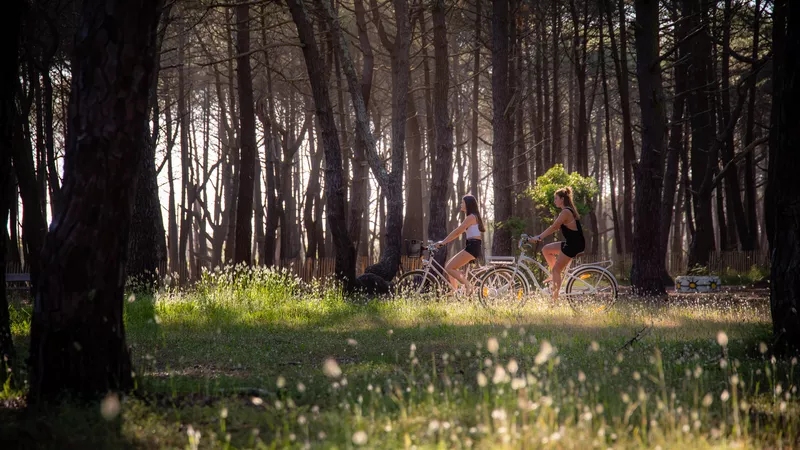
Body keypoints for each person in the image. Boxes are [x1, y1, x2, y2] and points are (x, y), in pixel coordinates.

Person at [528, 187, 585, 303]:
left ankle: (554, 301)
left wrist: (538, 237)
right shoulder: (566, 211)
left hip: (574, 244)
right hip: (572, 242)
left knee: (556, 270)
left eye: (556, 198)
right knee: (546, 249)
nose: (554, 201)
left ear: (562, 199)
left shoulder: (566, 212)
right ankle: (554, 275)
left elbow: (554, 227)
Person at [435, 195, 486, 295]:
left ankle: (468, 285)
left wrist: (443, 242)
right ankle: (455, 292)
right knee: (450, 266)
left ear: (468, 204)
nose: (461, 204)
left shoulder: (471, 217)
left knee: (449, 268)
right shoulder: (472, 217)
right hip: (472, 246)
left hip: (472, 247)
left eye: (462, 202)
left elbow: (458, 232)